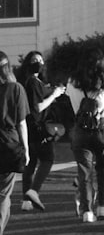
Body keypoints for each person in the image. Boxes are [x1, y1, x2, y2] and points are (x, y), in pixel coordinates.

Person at [66, 47, 104, 222]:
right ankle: (102, 206)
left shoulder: (72, 82)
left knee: (84, 171)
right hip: (101, 129)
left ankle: (87, 211)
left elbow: (72, 106)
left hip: (80, 129)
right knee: (103, 169)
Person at [18, 51, 65, 212]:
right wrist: (54, 95)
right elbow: (38, 107)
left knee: (30, 163)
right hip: (39, 127)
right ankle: (33, 191)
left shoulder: (28, 82)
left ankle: (26, 200)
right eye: (34, 60)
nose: (38, 63)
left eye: (40, 60)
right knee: (47, 159)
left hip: (29, 127)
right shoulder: (33, 82)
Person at [0, 51, 30, 235]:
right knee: (3, 193)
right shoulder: (15, 89)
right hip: (8, 145)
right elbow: (21, 123)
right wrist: (26, 149)